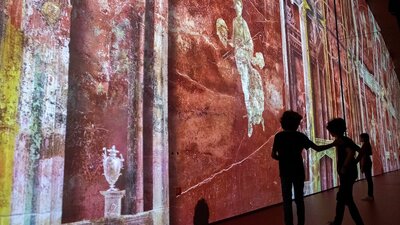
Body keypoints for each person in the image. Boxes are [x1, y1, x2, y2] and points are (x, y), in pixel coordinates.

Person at [271, 110, 335, 225]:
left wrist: (283, 158)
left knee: (287, 200)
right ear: (295, 124)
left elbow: (273, 155)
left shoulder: (279, 136)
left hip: (285, 171)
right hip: (298, 171)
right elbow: (317, 148)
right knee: (299, 199)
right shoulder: (300, 136)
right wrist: (333, 144)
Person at [322, 118, 364, 225]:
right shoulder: (346, 139)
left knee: (348, 200)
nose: (329, 132)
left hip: (347, 174)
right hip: (350, 173)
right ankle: (337, 221)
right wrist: (355, 162)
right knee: (341, 198)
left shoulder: (342, 141)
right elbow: (360, 151)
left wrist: (345, 167)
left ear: (333, 130)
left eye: (330, 130)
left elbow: (350, 152)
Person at [360, 133, 374, 200]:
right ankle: (370, 195)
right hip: (368, 162)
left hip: (366, 163)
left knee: (369, 179)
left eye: (361, 137)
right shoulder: (367, 144)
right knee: (369, 179)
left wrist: (362, 166)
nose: (360, 138)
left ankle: (370, 196)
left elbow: (364, 156)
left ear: (364, 138)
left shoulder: (365, 145)